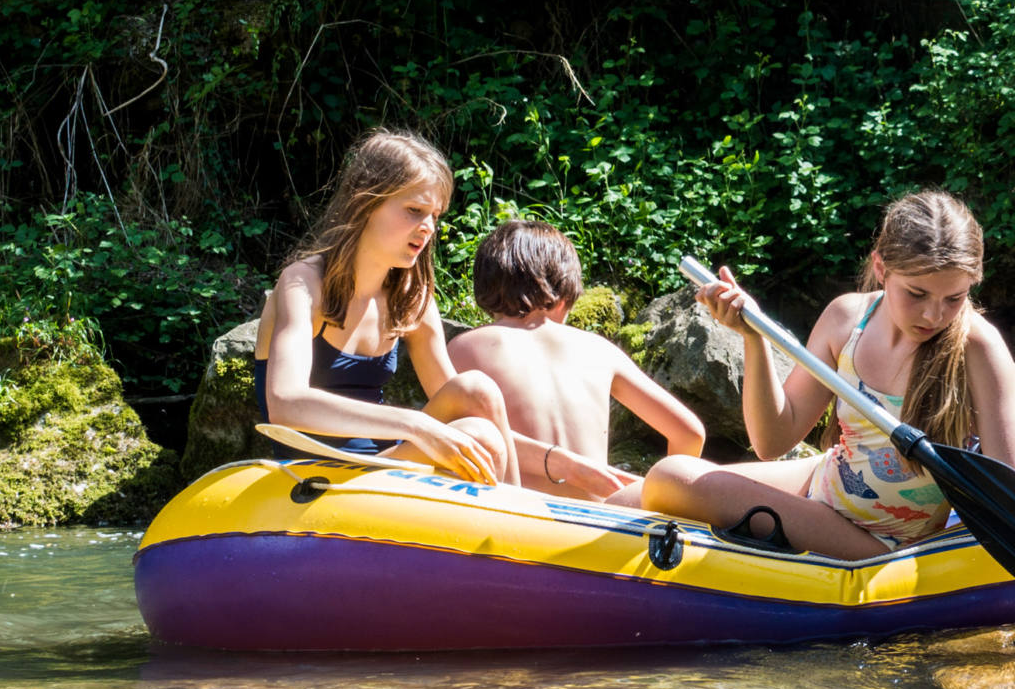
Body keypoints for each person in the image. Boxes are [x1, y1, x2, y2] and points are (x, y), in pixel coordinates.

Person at [643, 191, 1015, 564]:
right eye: (916, 294)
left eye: (954, 298)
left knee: (672, 477)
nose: (934, 315)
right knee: (635, 494)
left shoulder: (977, 347)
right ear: (881, 267)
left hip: (881, 543)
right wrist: (755, 339)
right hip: (827, 483)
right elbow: (772, 441)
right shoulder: (847, 319)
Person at [252, 129, 517, 483]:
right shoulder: (304, 283)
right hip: (314, 475)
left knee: (476, 390)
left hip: (382, 467)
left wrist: (559, 461)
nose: (428, 228)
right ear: (366, 202)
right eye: (414, 211)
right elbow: (285, 402)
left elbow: (480, 408)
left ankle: (525, 512)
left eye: (434, 216)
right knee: (478, 436)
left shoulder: (411, 297)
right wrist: (415, 424)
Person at [446, 219, 704, 503]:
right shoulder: (598, 350)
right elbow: (689, 433)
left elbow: (453, 436)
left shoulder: (465, 347)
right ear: (565, 294)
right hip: (594, 523)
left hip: (518, 517)